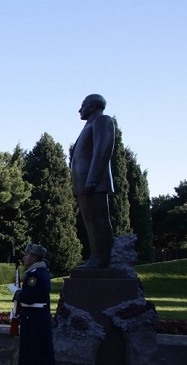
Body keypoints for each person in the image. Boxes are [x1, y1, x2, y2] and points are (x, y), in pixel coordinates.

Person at [70, 94, 116, 268]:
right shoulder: (89, 125)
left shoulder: (102, 120)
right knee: (90, 221)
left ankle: (102, 258)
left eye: (83, 105)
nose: (80, 109)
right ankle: (96, 256)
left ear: (93, 105)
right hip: (83, 183)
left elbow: (102, 150)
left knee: (98, 220)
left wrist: (92, 179)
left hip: (93, 183)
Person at [10, 243, 55, 365]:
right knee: (39, 354)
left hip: (36, 320)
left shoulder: (35, 274)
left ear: (34, 257)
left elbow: (29, 298)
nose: (24, 257)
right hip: (37, 318)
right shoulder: (38, 272)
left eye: (27, 255)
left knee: (39, 355)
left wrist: (16, 293)